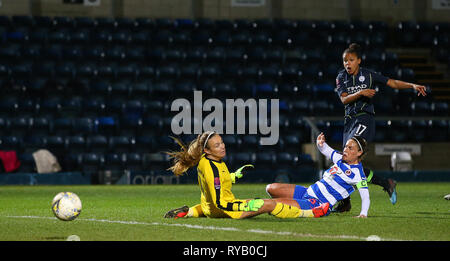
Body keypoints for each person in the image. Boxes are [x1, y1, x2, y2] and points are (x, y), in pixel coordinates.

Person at [333, 43, 428, 211]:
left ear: (359, 61)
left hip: (365, 119)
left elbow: (391, 82)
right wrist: (361, 93)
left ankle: (349, 200)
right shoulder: (341, 77)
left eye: (351, 60)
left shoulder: (368, 75)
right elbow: (344, 99)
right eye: (345, 61)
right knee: (346, 161)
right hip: (349, 122)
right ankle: (382, 184)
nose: (347, 63)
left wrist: (412, 85)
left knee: (349, 157)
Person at [163, 131, 329, 219]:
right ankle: (311, 213)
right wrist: (245, 206)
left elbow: (217, 183)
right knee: (268, 204)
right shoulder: (211, 166)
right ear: (206, 150)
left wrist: (233, 176)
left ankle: (189, 212)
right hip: (225, 210)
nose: (222, 146)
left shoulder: (208, 160)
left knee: (256, 202)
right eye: (217, 145)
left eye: (221, 142)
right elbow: (221, 202)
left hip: (207, 208)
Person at [267, 133, 370, 218]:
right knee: (270, 188)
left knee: (271, 204)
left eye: (350, 148)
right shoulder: (340, 159)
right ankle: (289, 206)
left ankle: (295, 208)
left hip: (318, 203)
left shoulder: (358, 175)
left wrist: (363, 213)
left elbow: (365, 196)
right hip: (308, 191)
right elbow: (325, 150)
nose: (345, 150)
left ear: (359, 152)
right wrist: (320, 143)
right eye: (346, 146)